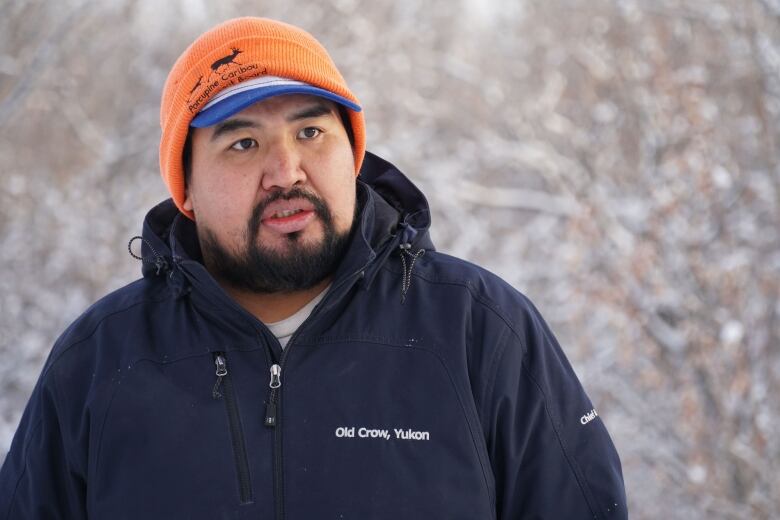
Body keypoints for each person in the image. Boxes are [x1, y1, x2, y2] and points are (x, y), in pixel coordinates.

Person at [0, 17, 627, 519]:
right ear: (185, 186)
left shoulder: (481, 333)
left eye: (311, 133)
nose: (286, 172)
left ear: (352, 153)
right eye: (243, 143)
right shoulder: (99, 364)